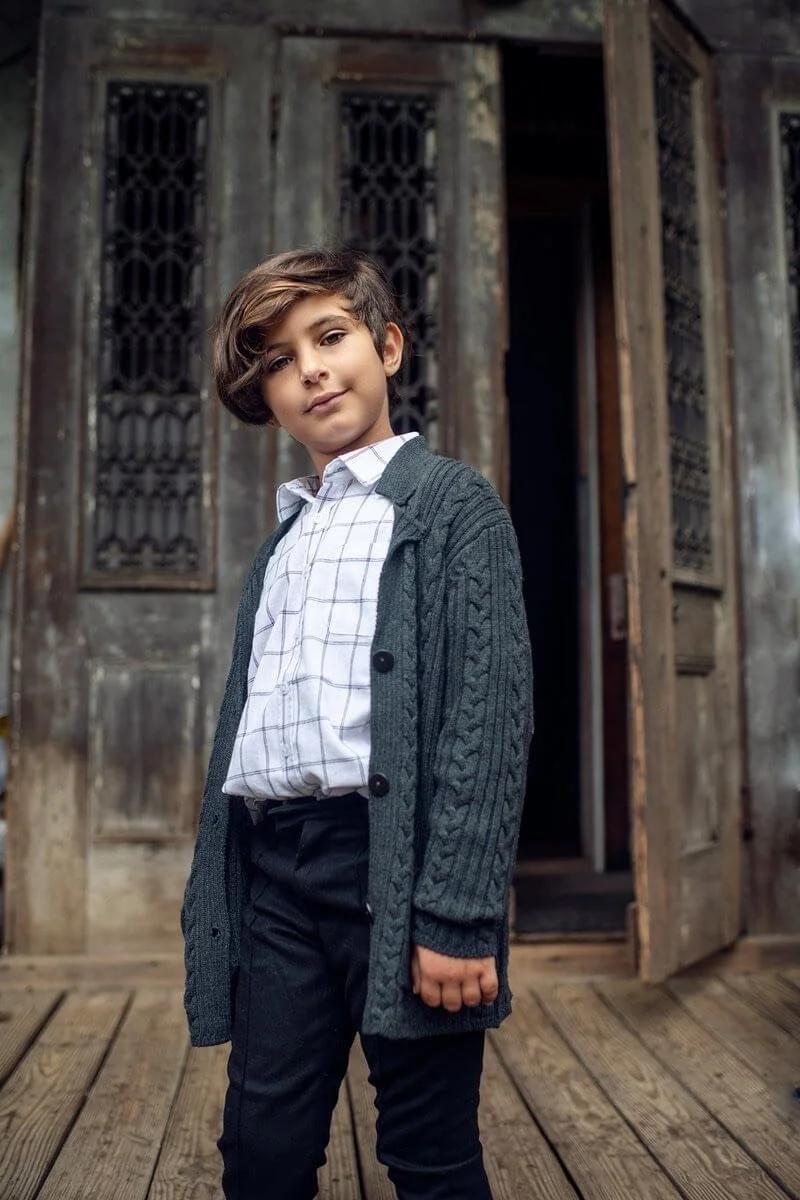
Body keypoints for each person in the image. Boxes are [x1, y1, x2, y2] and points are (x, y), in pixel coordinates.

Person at [181, 246, 533, 1200]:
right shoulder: (283, 546)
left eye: (330, 336)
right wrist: (224, 890)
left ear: (387, 346)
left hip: (398, 869)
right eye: (279, 361)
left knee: (425, 1149)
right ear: (267, 398)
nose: (311, 370)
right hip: (279, 876)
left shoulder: (452, 508)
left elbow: (486, 723)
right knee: (260, 1148)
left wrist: (457, 916)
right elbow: (251, 726)